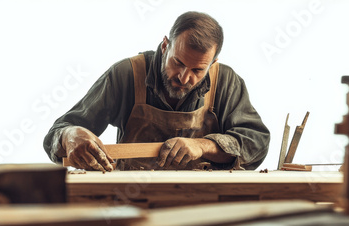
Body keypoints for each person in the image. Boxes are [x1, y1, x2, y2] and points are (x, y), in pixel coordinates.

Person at [43, 11, 270, 171]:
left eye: (197, 70)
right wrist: (70, 136)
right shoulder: (126, 74)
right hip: (130, 202)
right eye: (178, 63)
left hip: (204, 204)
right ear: (165, 46)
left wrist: (203, 145)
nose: (184, 77)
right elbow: (58, 132)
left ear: (213, 63)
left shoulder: (226, 81)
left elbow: (257, 142)